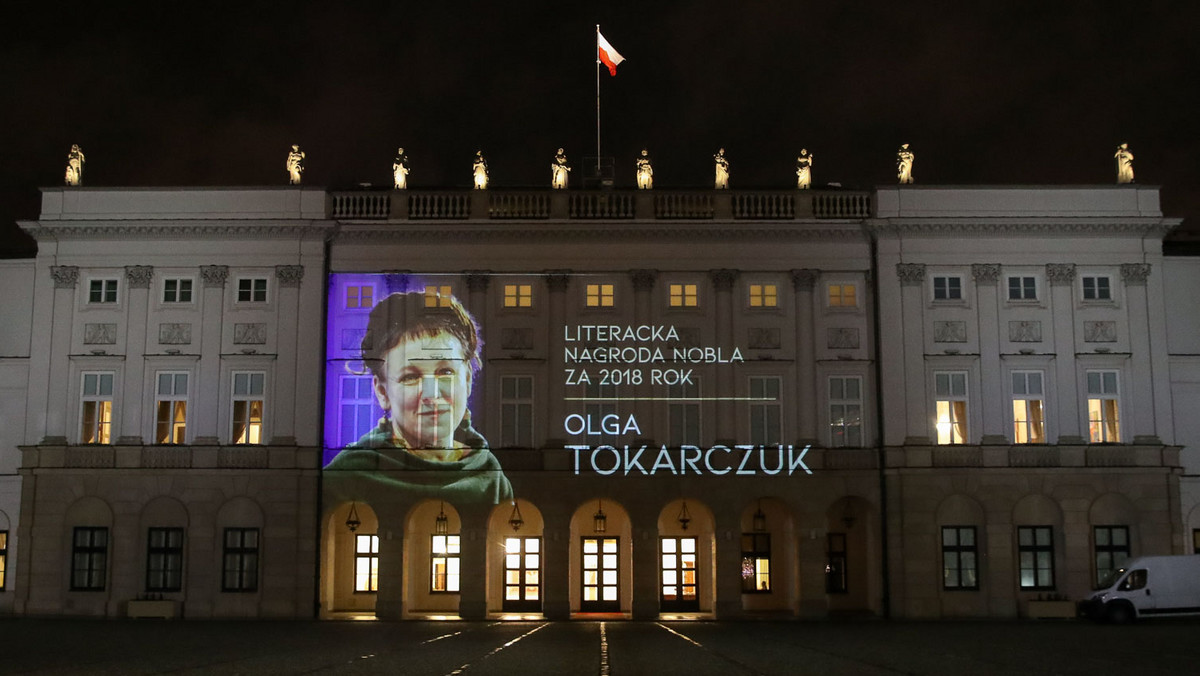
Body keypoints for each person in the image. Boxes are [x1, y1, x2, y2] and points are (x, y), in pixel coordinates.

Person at [326, 290, 512, 504]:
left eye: (446, 372)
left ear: (468, 380)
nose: (432, 394)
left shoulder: (490, 474)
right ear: (382, 392)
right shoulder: (345, 479)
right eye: (410, 377)